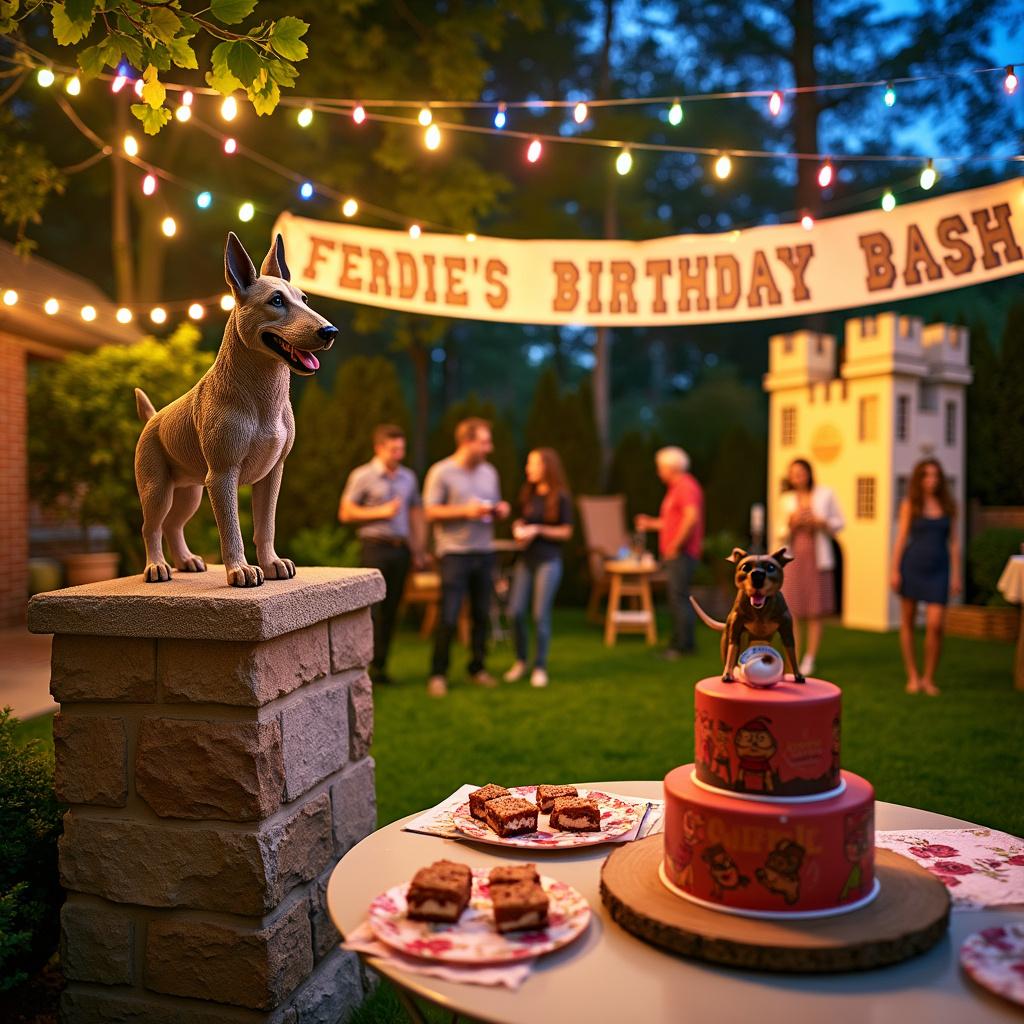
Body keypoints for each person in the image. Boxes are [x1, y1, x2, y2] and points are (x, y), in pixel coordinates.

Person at [422, 417, 510, 698]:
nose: (490, 447)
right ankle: (438, 674)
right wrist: (465, 511)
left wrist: (499, 510)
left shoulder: (489, 472)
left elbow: (491, 504)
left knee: (481, 615)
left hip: (484, 551)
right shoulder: (442, 471)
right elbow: (431, 511)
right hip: (454, 554)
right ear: (467, 442)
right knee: (448, 616)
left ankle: (477, 668)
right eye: (484, 442)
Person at [339, 424, 426, 684]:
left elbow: (414, 513)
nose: (399, 454)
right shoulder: (363, 475)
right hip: (374, 548)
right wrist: (381, 512)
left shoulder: (408, 478)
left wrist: (419, 549)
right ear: (378, 448)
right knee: (373, 611)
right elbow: (346, 513)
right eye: (393, 449)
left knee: (391, 610)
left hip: (401, 550)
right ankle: (363, 667)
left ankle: (381, 668)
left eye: (402, 449)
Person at [504, 448, 574, 688]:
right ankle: (521, 660)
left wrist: (539, 530)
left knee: (539, 615)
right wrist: (519, 529)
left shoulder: (561, 496)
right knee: (514, 612)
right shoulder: (528, 493)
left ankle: (540, 666)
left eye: (532, 463)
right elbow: (520, 519)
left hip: (549, 561)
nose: (528, 468)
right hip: (526, 560)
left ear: (547, 466)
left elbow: (566, 531)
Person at [891, 458, 961, 696]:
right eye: (926, 475)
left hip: (939, 570)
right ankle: (912, 675)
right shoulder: (910, 504)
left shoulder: (950, 506)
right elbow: (901, 539)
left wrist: (956, 575)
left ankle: (929, 678)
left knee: (935, 625)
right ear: (918, 479)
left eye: (935, 475)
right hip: (912, 567)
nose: (931, 480)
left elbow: (953, 543)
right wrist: (894, 570)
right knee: (908, 621)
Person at [776, 458, 844, 677]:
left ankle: (810, 657)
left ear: (809, 473)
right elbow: (778, 531)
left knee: (816, 611)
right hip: (794, 559)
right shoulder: (785, 499)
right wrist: (791, 522)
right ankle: (792, 656)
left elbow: (839, 523)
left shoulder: (825, 494)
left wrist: (820, 522)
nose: (798, 476)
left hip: (818, 559)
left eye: (802, 472)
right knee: (792, 610)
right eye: (794, 473)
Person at [635, 446, 705, 660]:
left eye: (660, 468)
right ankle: (680, 643)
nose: (658, 472)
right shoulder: (676, 488)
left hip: (682, 553)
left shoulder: (685, 487)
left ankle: (682, 646)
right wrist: (651, 524)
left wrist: (676, 544)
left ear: (671, 467)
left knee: (679, 598)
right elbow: (673, 521)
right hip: (677, 553)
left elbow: (691, 518)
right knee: (677, 597)